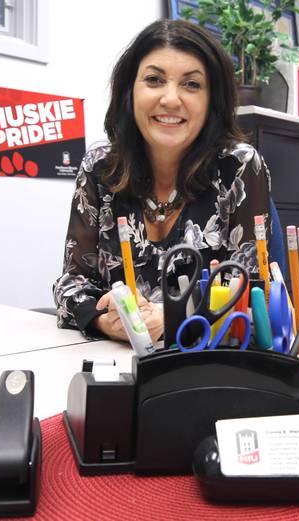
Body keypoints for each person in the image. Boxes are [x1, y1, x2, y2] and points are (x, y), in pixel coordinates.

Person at [53, 19, 272, 342]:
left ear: (213, 100)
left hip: (198, 371)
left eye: (192, 84)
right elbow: (70, 284)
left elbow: (256, 299)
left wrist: (175, 319)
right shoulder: (100, 166)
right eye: (154, 80)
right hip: (112, 363)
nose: (170, 99)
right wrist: (105, 319)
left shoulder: (239, 167)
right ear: (130, 91)